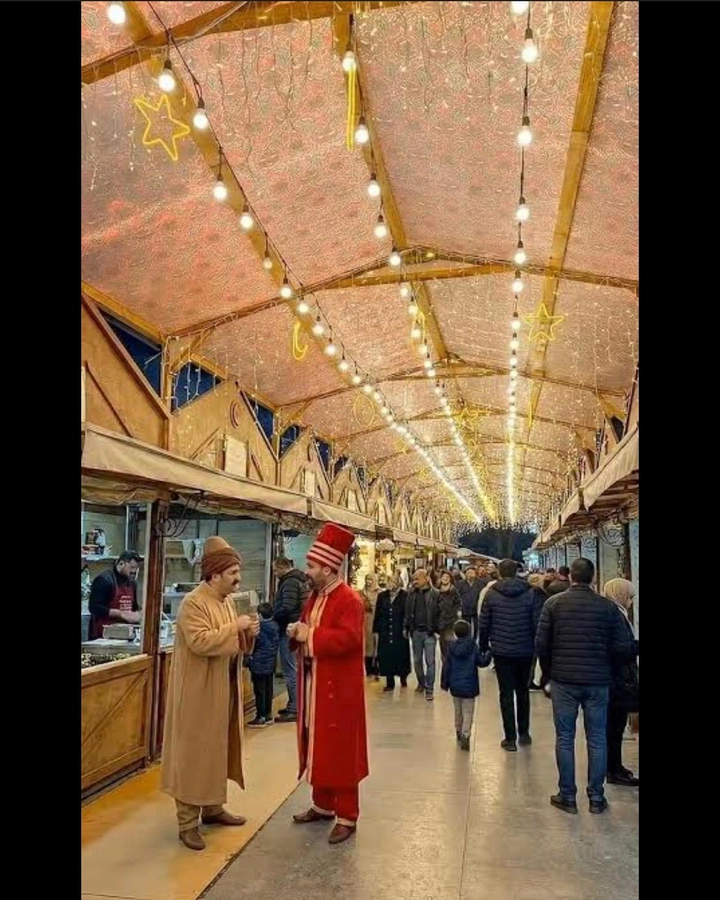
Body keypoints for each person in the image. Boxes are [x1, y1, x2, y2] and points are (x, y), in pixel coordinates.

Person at [161, 537, 260, 851]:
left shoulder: (226, 601)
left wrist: (248, 633)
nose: (238, 578)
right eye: (233, 573)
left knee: (217, 748)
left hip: (221, 689)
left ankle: (213, 807)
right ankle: (187, 823)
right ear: (215, 575)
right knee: (193, 753)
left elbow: (233, 642)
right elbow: (201, 642)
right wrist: (235, 628)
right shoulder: (194, 603)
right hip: (197, 694)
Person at [288, 522, 368, 845]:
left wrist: (310, 635)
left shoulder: (349, 600)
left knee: (341, 748)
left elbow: (349, 639)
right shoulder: (316, 596)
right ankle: (322, 804)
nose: (306, 571)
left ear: (328, 567)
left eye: (311, 566)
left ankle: (347, 815)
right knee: (318, 743)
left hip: (339, 690)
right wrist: (297, 630)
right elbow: (308, 627)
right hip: (317, 685)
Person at [535, 557, 632, 815]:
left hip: (564, 680)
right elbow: (622, 648)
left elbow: (541, 645)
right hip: (598, 682)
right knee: (597, 738)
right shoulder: (607, 608)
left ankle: (567, 795)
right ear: (593, 577)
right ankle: (596, 798)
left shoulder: (553, 604)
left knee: (565, 738)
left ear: (571, 577)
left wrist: (548, 674)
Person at [478, 559, 538, 751]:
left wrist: (483, 645)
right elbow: (536, 622)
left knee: (505, 694)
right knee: (523, 692)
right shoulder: (529, 592)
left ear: (499, 572)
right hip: (525, 649)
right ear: (516, 572)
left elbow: (484, 622)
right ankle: (524, 733)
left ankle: (510, 738)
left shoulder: (492, 593)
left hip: (502, 650)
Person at [603, 578, 640, 787]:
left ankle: (616, 766)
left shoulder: (613, 612)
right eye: (630, 597)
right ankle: (613, 769)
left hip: (614, 678)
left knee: (615, 726)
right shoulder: (615, 615)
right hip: (616, 679)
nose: (631, 601)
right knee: (614, 727)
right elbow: (620, 649)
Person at [441, 619, 491, 751]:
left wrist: (445, 683)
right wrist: (489, 654)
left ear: (455, 633)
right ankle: (465, 734)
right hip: (469, 686)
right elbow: (482, 662)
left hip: (455, 685)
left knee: (458, 711)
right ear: (469, 632)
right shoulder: (472, 646)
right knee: (468, 712)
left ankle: (458, 730)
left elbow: (447, 667)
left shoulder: (451, 647)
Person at [273, 557, 309, 723]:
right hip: (295, 627)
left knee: (290, 670)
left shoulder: (289, 582)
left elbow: (287, 607)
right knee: (293, 668)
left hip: (288, 629)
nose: (275, 573)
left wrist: (273, 616)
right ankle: (294, 704)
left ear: (282, 567)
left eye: (275, 570)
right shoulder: (298, 579)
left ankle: (295, 708)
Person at [88, 550, 142, 640]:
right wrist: (120, 614)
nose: (134, 571)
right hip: (103, 636)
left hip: (124, 634)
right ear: (121, 563)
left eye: (136, 568)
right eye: (132, 567)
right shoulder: (104, 580)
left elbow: (134, 607)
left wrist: (139, 614)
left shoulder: (132, 583)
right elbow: (94, 607)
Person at [404, 568, 440, 701]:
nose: (415, 582)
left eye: (417, 579)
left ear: (426, 579)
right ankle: (421, 682)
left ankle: (430, 688)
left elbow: (440, 612)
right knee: (417, 660)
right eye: (414, 579)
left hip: (429, 632)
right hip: (416, 632)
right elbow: (407, 612)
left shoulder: (435, 594)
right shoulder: (411, 594)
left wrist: (437, 628)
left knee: (430, 662)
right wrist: (406, 627)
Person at [373, 572, 411, 692]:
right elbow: (378, 613)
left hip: (399, 630)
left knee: (401, 654)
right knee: (386, 655)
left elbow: (408, 613)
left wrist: (407, 628)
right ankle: (390, 682)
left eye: (395, 581)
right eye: (390, 581)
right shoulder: (382, 596)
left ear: (399, 583)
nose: (392, 584)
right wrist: (376, 629)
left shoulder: (405, 596)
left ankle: (403, 677)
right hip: (385, 629)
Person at [247, 602, 280, 728]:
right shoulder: (275, 626)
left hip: (258, 664)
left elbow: (253, 644)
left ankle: (260, 716)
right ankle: (268, 714)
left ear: (259, 615)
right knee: (268, 689)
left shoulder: (259, 628)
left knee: (259, 691)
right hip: (270, 663)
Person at [527, 573, 549, 691]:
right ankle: (531, 681)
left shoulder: (525, 594)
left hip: (526, 630)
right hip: (536, 630)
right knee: (536, 658)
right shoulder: (539, 595)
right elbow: (537, 614)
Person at [437, 570, 462, 662]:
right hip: (440, 622)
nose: (445, 578)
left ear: (450, 579)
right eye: (443, 577)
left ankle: (450, 661)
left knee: (450, 643)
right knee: (442, 644)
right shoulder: (437, 591)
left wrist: (457, 612)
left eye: (447, 577)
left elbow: (458, 603)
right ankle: (445, 661)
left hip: (450, 621)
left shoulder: (454, 591)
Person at [361, 573, 380, 680]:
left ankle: (377, 669)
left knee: (377, 645)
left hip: (377, 621)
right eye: (367, 579)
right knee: (368, 646)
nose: (368, 581)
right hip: (366, 622)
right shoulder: (362, 593)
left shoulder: (380, 593)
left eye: (371, 579)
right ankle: (369, 670)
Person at [457, 566, 482, 640]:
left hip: (476, 611)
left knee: (476, 628)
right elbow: (457, 596)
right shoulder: (460, 584)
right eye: (468, 572)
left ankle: (474, 640)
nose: (470, 574)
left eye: (472, 572)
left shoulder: (480, 584)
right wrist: (459, 609)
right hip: (464, 610)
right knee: (465, 628)